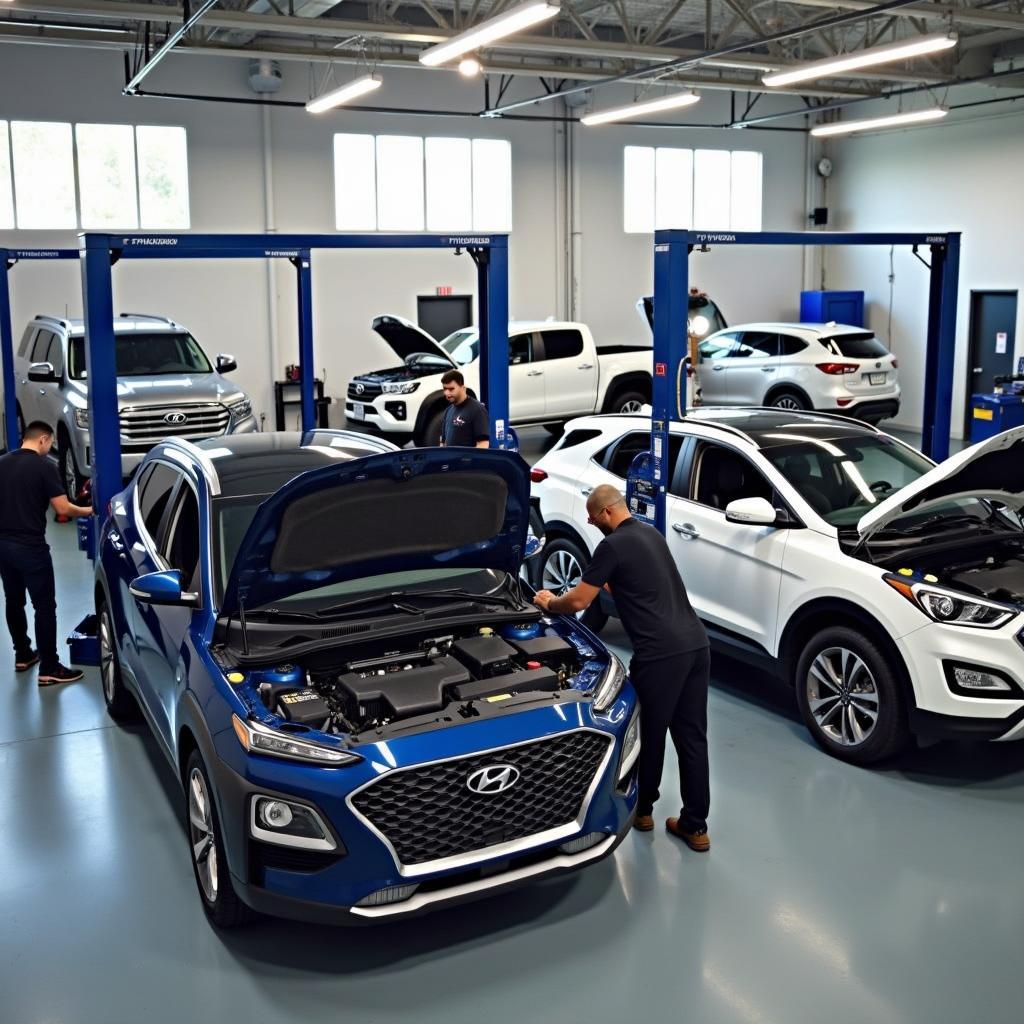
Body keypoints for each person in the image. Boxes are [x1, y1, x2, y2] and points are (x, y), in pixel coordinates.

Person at [533, 484, 712, 851]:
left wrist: (549, 602)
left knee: (648, 733)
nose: (588, 520)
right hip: (696, 645)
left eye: (592, 515)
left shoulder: (610, 546)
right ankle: (696, 827)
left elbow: (580, 600)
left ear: (607, 513)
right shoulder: (651, 535)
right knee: (692, 737)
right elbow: (638, 585)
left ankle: (643, 811)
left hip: (659, 654)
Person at [0, 421, 93, 685]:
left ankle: (23, 655)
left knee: (13, 601)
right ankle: (50, 667)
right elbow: (62, 509)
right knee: (44, 607)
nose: (49, 447)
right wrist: (88, 511)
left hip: (3, 546)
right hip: (31, 547)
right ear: (43, 439)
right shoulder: (44, 466)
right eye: (50, 442)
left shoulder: (2, 462)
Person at [439, 370, 490, 448]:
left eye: (451, 389)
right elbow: (443, 443)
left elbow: (483, 445)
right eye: (445, 389)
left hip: (468, 460)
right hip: (450, 460)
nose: (447, 393)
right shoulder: (448, 411)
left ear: (463, 388)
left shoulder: (477, 410)